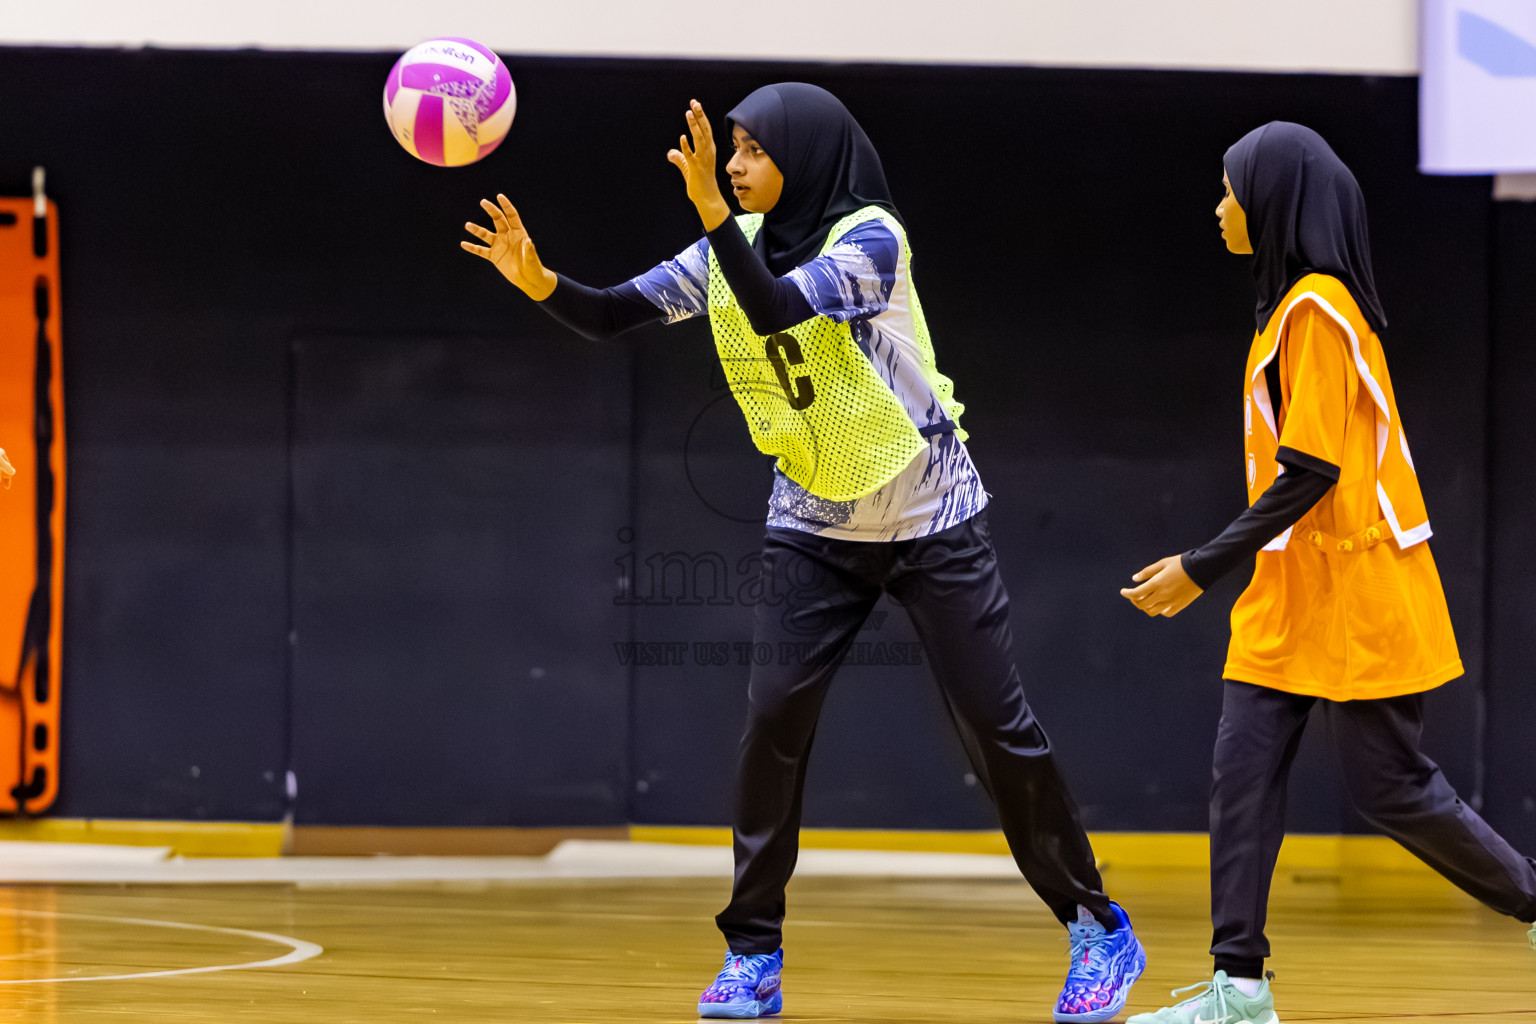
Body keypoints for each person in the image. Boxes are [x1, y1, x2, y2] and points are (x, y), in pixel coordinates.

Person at [461, 83, 1145, 1022]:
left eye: (748, 149)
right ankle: (753, 955)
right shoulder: (722, 250)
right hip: (815, 524)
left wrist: (714, 216)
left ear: (805, 156)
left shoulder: (870, 241)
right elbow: (613, 314)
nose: (731, 165)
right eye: (727, 150)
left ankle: (1098, 926)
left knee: (997, 733)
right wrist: (540, 280)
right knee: (772, 723)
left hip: (931, 517)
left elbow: (780, 308)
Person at [1120, 121, 1536, 1024]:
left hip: (1362, 583)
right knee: (1242, 775)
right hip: (1292, 587)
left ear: (1271, 201)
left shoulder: (1317, 307)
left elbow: (1313, 471)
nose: (1220, 206)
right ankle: (1239, 987)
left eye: (1231, 189)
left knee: (1391, 787)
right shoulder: (1288, 310)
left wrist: (1199, 567)